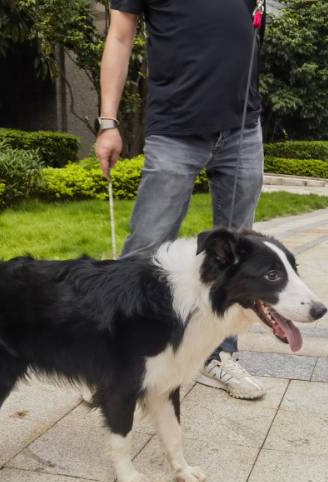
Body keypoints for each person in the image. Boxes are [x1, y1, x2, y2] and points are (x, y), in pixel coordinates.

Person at [95, 0, 268, 400]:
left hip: (243, 129)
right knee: (146, 249)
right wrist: (108, 122)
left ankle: (220, 354)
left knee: (237, 255)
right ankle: (115, 357)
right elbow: (120, 36)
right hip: (175, 131)